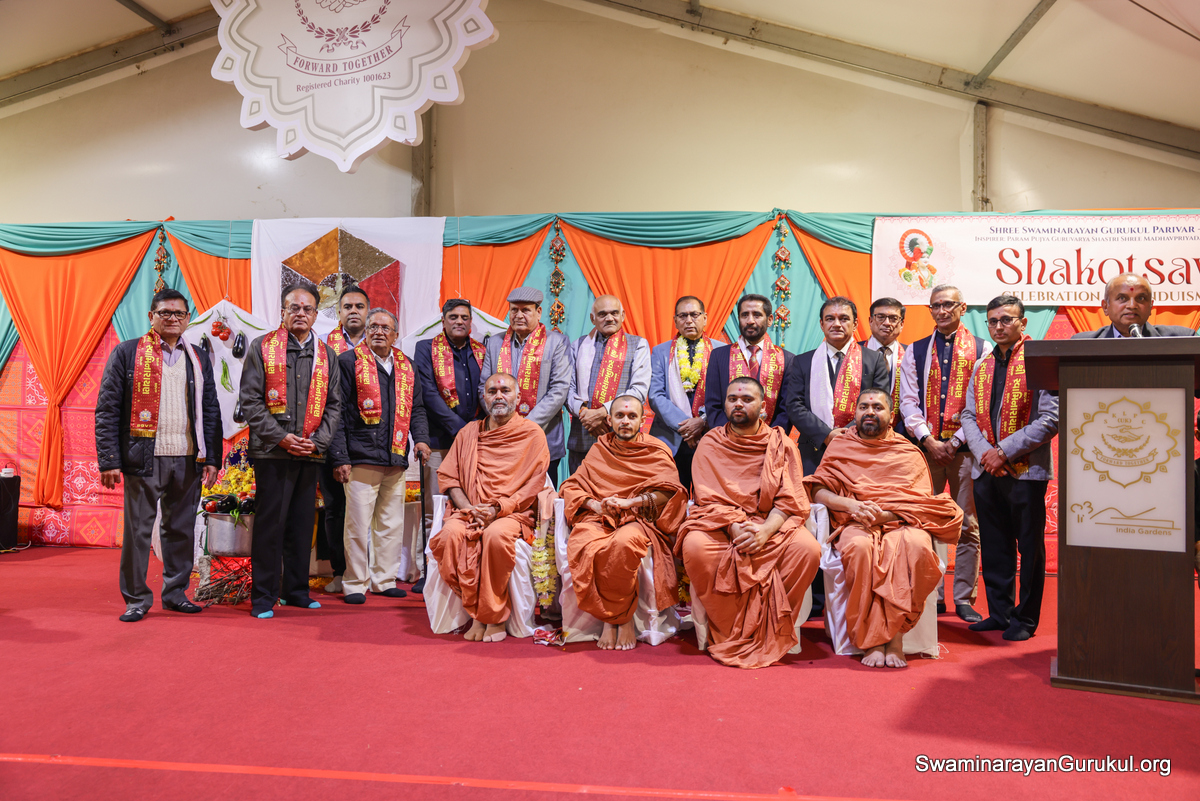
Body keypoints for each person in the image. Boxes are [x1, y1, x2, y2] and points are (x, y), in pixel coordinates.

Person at [804, 389, 962, 668]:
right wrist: (851, 506)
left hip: (901, 520)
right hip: (856, 521)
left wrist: (886, 516)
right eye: (863, 406)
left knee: (917, 547)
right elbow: (818, 489)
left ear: (891, 416)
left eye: (878, 407)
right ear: (855, 413)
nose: (870, 412)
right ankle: (874, 641)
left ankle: (896, 637)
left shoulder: (907, 451)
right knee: (860, 548)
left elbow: (921, 501)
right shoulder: (840, 446)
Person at [676, 376, 821, 669]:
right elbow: (708, 498)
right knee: (696, 547)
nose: (738, 404)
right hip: (721, 523)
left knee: (807, 550)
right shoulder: (710, 442)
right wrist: (735, 527)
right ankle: (730, 630)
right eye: (732, 399)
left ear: (763, 406)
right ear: (724, 404)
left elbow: (790, 499)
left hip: (771, 522)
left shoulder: (781, 443)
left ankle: (771, 627)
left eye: (746, 399)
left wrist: (765, 531)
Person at [96, 289, 223, 622]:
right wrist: (109, 460)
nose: (172, 319)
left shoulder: (197, 357)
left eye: (179, 314)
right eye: (165, 313)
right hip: (143, 457)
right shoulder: (128, 353)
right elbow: (107, 409)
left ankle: (176, 594)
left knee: (180, 529)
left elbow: (210, 409)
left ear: (187, 319)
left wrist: (212, 457)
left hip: (188, 456)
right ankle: (136, 599)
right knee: (138, 531)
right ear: (151, 316)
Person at [239, 282, 342, 619]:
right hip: (272, 452)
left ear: (316, 314)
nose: (300, 313)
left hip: (310, 452)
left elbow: (334, 406)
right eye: (294, 308)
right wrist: (281, 437)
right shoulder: (262, 347)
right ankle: (263, 597)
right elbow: (250, 402)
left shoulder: (327, 355)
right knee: (271, 526)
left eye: (307, 309)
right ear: (282, 312)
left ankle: (296, 591)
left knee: (301, 524)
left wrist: (319, 442)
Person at [961, 296, 1059, 641]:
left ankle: (1026, 620)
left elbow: (1050, 419)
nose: (998, 326)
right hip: (986, 470)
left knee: (1029, 548)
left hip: (1026, 471)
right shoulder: (982, 365)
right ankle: (1000, 613)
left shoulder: (1040, 362)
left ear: (1023, 323)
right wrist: (986, 454)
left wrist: (1002, 452)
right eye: (993, 321)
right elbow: (968, 415)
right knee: (994, 543)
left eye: (1006, 319)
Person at [558, 395, 687, 650]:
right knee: (582, 541)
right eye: (619, 416)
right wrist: (595, 505)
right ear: (609, 420)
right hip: (600, 516)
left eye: (631, 416)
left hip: (639, 518)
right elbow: (573, 485)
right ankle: (612, 617)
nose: (625, 421)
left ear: (642, 420)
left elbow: (671, 491)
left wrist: (632, 502)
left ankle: (619, 618)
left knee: (623, 543)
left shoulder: (655, 449)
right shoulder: (600, 449)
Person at [431, 373, 551, 642]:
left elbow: (534, 484)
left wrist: (498, 509)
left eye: (505, 390)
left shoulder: (532, 434)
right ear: (483, 397)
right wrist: (469, 509)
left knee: (495, 536)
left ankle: (493, 616)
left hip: (512, 513)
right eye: (492, 391)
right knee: (450, 535)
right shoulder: (468, 433)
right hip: (470, 511)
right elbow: (449, 477)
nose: (499, 396)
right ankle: (476, 610)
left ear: (518, 397)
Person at [330, 308, 432, 604]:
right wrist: (340, 456)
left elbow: (417, 409)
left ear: (395, 334)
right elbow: (337, 413)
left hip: (395, 458)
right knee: (357, 526)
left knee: (391, 524)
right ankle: (354, 583)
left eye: (385, 328)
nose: (378, 332)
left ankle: (384, 580)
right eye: (373, 326)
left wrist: (421, 439)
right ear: (366, 330)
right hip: (360, 457)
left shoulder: (407, 365)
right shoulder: (348, 362)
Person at [897, 285, 986, 623]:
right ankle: (932, 595)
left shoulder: (982, 348)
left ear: (963, 307)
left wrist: (957, 441)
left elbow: (982, 401)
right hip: (926, 451)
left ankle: (963, 597)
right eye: (936, 305)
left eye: (949, 304)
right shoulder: (916, 350)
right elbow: (908, 401)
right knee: (926, 522)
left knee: (967, 524)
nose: (942, 310)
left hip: (966, 451)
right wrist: (928, 439)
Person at [786, 296, 891, 475]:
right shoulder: (803, 361)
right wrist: (826, 435)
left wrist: (845, 435)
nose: (836, 324)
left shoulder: (874, 360)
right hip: (814, 448)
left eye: (843, 319)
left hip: (861, 445)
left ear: (855, 324)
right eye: (830, 319)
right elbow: (794, 405)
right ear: (821, 324)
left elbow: (879, 405)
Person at [479, 287, 572, 486]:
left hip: (543, 435)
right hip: (501, 437)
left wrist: (523, 427)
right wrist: (504, 422)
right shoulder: (495, 343)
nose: (519, 315)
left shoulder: (557, 342)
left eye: (525, 310)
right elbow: (484, 386)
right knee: (502, 493)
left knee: (542, 499)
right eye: (514, 310)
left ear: (538, 312)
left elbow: (559, 389)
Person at [414, 298, 485, 527]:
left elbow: (486, 392)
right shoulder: (426, 348)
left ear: (471, 322)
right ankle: (431, 550)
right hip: (439, 441)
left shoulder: (481, 351)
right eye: (453, 317)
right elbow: (428, 393)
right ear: (443, 321)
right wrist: (461, 428)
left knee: (471, 500)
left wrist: (474, 429)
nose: (459, 321)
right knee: (434, 507)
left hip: (476, 440)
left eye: (464, 317)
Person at [318, 285, 370, 594]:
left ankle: (368, 573)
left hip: (368, 440)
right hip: (331, 435)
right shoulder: (324, 345)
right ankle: (340, 571)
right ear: (338, 312)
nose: (353, 311)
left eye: (359, 306)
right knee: (336, 507)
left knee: (367, 511)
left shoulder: (382, 343)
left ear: (368, 311)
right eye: (347, 306)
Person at [567, 295, 651, 474]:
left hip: (621, 434)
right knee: (579, 488)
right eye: (602, 314)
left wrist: (602, 412)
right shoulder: (578, 345)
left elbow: (638, 390)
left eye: (614, 313)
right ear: (593, 319)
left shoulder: (638, 345)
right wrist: (584, 413)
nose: (609, 318)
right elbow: (568, 388)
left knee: (620, 488)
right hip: (582, 433)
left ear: (623, 315)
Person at [648, 295, 714, 489]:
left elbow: (725, 394)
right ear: (675, 321)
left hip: (708, 435)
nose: (689, 320)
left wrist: (702, 421)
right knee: (671, 498)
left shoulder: (721, 350)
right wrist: (687, 427)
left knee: (708, 498)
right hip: (670, 437)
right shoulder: (660, 351)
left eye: (694, 315)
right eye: (683, 316)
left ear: (705, 318)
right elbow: (655, 395)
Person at [704, 294, 793, 430]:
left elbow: (786, 409)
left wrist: (770, 437)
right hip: (726, 438)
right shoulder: (718, 356)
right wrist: (730, 436)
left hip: (770, 439)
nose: (750, 321)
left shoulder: (787, 359)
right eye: (744, 315)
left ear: (769, 320)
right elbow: (713, 405)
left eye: (757, 315)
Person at [1070, 273, 1196, 339]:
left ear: (1151, 307)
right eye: (1122, 298)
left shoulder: (1183, 339)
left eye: (1141, 298)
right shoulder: (1082, 344)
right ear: (1105, 307)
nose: (1132, 305)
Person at [862, 297, 907, 437]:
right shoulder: (852, 353)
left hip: (901, 433)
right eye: (881, 317)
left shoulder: (912, 355)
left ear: (901, 324)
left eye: (893, 318)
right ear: (870, 321)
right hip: (857, 432)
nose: (887, 323)